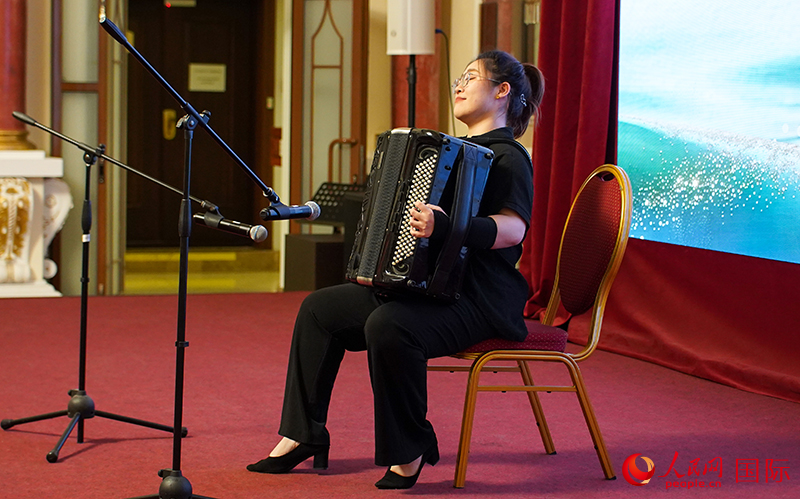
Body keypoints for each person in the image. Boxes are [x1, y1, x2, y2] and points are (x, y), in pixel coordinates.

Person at [247, 50, 545, 489]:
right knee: (319, 310)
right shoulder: (450, 152)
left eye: (471, 77)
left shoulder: (509, 156)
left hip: (479, 297)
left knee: (390, 325)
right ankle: (302, 434)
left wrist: (448, 226)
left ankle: (411, 446)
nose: (458, 85)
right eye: (458, 78)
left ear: (503, 91)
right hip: (428, 288)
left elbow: (512, 230)